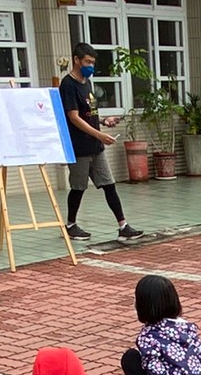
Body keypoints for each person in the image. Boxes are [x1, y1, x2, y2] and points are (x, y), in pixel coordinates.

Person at [58, 42, 143, 241]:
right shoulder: (68, 85)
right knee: (78, 187)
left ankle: (123, 225)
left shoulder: (87, 83)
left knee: (109, 184)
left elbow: (89, 113)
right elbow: (74, 117)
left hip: (96, 146)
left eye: (93, 62)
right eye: (87, 62)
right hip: (79, 146)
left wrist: (104, 122)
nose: (90, 66)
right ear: (76, 60)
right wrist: (99, 134)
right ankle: (70, 225)